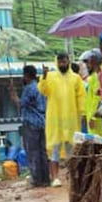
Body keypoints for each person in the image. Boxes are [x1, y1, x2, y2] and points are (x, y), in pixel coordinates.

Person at [38, 52, 84, 187]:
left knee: (72, 149)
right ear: (56, 62)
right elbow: (43, 90)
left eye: (64, 61)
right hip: (55, 118)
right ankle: (55, 178)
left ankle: (73, 178)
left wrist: (83, 113)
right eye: (60, 61)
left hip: (71, 118)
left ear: (68, 62)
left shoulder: (76, 78)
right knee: (54, 149)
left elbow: (81, 96)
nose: (62, 64)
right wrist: (44, 77)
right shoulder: (50, 76)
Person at [9, 65, 50, 188]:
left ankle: (36, 179)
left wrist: (12, 93)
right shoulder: (41, 86)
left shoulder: (29, 89)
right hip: (42, 122)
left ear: (26, 75)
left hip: (31, 123)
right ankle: (45, 179)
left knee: (33, 152)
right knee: (43, 152)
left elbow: (20, 103)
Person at [79, 50, 102, 137]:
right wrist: (85, 114)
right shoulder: (94, 76)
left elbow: (100, 98)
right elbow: (90, 99)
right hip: (92, 117)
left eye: (88, 62)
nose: (87, 65)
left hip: (98, 119)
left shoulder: (100, 75)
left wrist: (93, 116)